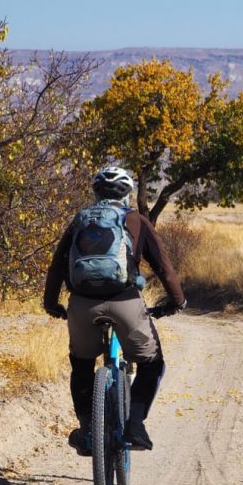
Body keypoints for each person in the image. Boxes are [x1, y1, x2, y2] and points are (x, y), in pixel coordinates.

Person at [43, 166, 187, 454]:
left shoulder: (80, 220)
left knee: (82, 365)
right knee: (152, 363)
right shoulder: (136, 220)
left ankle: (86, 430)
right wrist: (176, 301)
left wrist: (51, 303)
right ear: (128, 193)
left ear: (96, 192)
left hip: (81, 304)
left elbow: (57, 265)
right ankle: (135, 423)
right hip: (126, 303)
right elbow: (163, 267)